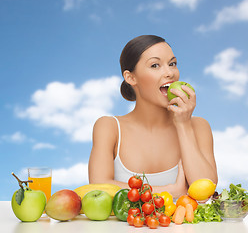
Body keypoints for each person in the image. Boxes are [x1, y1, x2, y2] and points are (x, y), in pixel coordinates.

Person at [88, 35, 217, 198]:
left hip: (185, 224)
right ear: (130, 77)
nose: (170, 73)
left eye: (172, 64)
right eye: (155, 65)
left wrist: (183, 125)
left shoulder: (198, 126)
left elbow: (206, 189)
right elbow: (99, 186)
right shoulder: (109, 127)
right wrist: (168, 191)